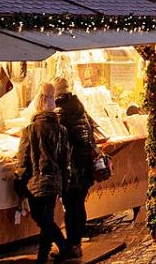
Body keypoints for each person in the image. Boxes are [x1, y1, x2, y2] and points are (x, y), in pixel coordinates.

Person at [16, 82, 71, 263]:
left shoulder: (30, 130)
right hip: (54, 180)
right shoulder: (61, 130)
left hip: (36, 180)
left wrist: (20, 180)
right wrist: (64, 182)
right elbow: (65, 161)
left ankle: (56, 249)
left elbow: (23, 160)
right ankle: (52, 252)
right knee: (46, 218)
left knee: (42, 218)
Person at [53, 78, 96, 260]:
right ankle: (75, 244)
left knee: (72, 209)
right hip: (85, 168)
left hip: (73, 171)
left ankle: (72, 246)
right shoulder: (80, 111)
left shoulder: (63, 113)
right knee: (78, 207)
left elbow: (60, 143)